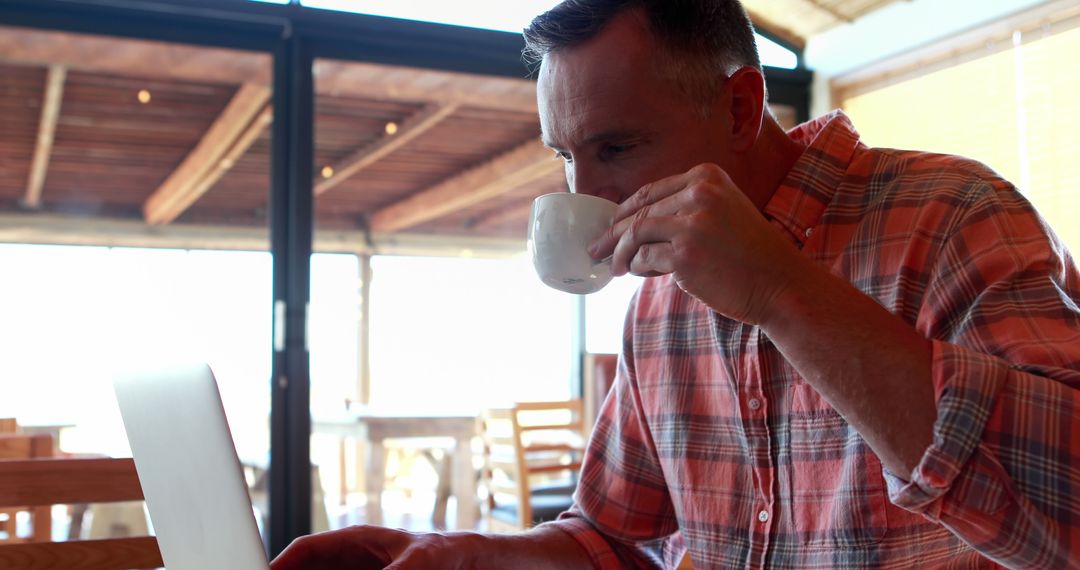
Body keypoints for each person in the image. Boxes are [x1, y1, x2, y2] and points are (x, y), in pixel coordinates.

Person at [272, 0, 1079, 568]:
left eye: (615, 148)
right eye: (564, 155)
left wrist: (780, 292)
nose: (584, 193)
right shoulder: (657, 303)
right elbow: (616, 541)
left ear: (739, 106)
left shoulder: (955, 217)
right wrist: (461, 555)